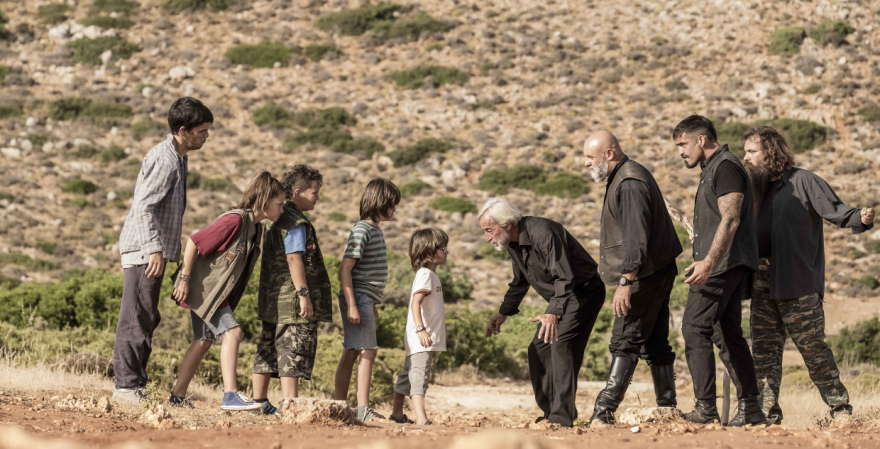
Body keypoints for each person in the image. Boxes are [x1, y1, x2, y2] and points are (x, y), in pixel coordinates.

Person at [742, 126, 875, 424]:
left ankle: (840, 410)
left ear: (771, 151)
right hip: (762, 280)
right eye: (746, 151)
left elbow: (836, 210)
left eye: (752, 151)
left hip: (798, 281)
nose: (746, 157)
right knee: (764, 352)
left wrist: (860, 217)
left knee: (813, 348)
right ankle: (766, 415)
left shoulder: (804, 181)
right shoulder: (754, 187)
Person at [113, 97, 213, 402]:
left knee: (147, 316)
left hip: (151, 250)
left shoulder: (178, 157)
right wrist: (154, 250)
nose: (206, 136)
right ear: (183, 130)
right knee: (137, 316)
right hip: (145, 251)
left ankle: (134, 385)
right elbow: (144, 207)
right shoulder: (166, 159)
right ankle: (126, 388)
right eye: (202, 131)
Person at [582, 131, 683, 424]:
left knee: (624, 340)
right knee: (654, 343)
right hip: (655, 270)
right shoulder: (626, 176)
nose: (586, 163)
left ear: (609, 154)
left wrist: (626, 280)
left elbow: (635, 237)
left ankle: (603, 413)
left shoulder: (628, 183)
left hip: (645, 274)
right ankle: (667, 407)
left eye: (590, 157)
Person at [672, 114, 765, 426]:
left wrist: (708, 262)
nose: (680, 151)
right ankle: (751, 408)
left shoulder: (724, 166)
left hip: (722, 265)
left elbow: (731, 218)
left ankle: (706, 409)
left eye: (683, 144)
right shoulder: (711, 168)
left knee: (693, 327)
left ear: (701, 139)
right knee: (726, 333)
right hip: (725, 263)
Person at [481, 198, 606, 428]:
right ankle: (551, 413)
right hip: (563, 297)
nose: (487, 237)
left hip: (584, 294)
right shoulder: (513, 243)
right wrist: (503, 314)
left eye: (489, 230)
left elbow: (564, 277)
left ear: (507, 224)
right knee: (538, 348)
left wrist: (553, 312)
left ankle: (561, 418)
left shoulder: (543, 233)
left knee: (559, 343)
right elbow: (519, 283)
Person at [167, 173, 286, 411]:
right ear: (264, 201)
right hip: (205, 291)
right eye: (280, 204)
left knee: (203, 340)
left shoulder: (256, 228)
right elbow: (193, 242)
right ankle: (230, 394)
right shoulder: (236, 221)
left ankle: (177, 398)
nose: (282, 209)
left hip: (213, 294)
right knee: (233, 332)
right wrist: (184, 279)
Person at [251, 165, 332, 416]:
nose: (317, 197)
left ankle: (259, 402)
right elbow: (294, 258)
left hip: (272, 299)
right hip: (292, 301)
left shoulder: (274, 217)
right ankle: (290, 406)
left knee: (267, 347)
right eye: (314, 192)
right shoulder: (295, 221)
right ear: (297, 192)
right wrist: (304, 295)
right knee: (292, 350)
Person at [334, 178, 401, 422]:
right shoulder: (362, 229)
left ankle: (338, 404)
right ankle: (362, 409)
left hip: (365, 299)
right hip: (357, 296)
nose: (394, 209)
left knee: (352, 351)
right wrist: (353, 304)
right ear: (379, 202)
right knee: (368, 351)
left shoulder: (375, 230)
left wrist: (371, 304)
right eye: (392, 204)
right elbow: (345, 269)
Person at [389, 229, 450, 426]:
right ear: (429, 252)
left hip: (418, 337)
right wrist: (421, 329)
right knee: (419, 376)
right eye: (442, 248)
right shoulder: (426, 274)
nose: (446, 251)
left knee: (407, 375)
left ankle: (397, 414)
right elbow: (416, 303)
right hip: (422, 337)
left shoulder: (430, 275)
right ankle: (422, 419)